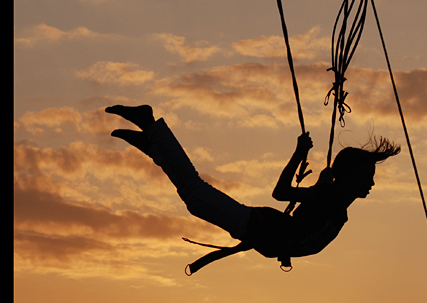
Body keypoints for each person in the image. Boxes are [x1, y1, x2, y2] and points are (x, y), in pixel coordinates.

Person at [105, 104, 400, 274]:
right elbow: (281, 193)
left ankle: (157, 146)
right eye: (367, 177)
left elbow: (295, 200)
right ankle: (152, 129)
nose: (372, 183)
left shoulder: (331, 195)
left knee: (195, 198)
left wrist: (317, 176)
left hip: (262, 230)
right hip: (260, 226)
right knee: (196, 195)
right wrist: (299, 154)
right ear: (348, 178)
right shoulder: (330, 196)